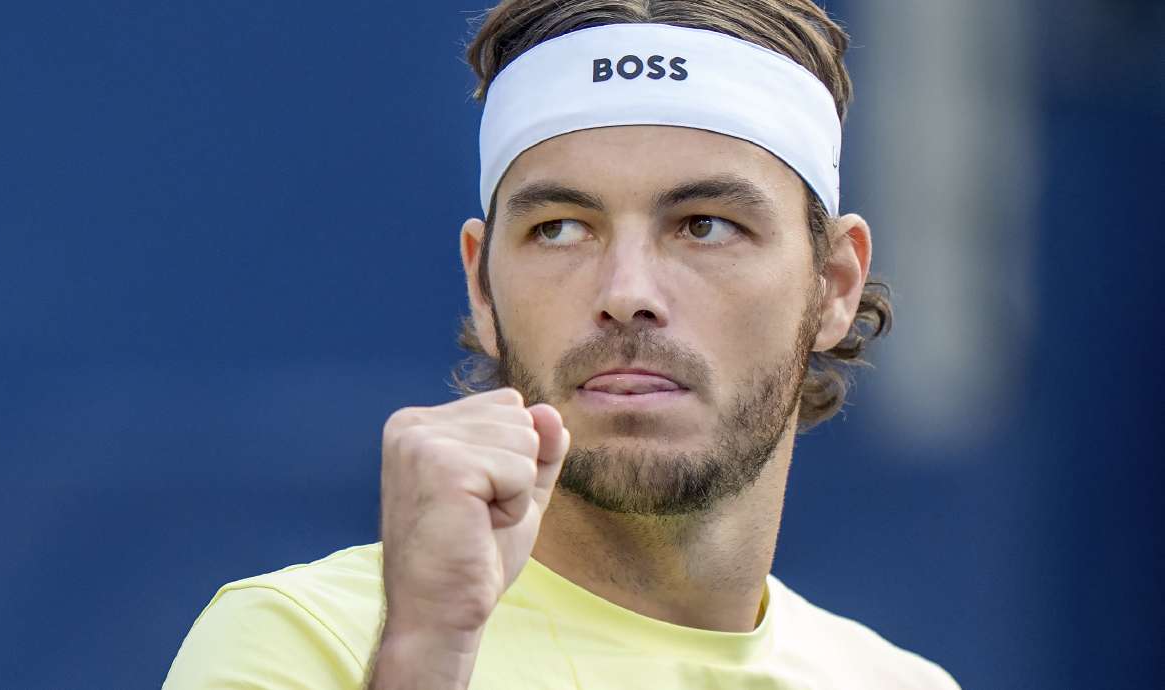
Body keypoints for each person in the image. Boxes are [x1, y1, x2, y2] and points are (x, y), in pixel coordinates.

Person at [165, 1, 961, 688]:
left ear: (833, 284)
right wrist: (426, 660)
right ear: (483, 286)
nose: (626, 293)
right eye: (561, 229)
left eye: (705, 226)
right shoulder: (301, 646)